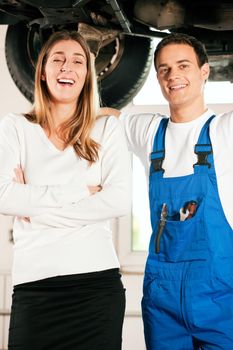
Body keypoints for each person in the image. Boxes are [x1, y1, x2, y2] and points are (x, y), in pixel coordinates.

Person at [0, 30, 131, 350]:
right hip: (34, 290)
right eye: (57, 59)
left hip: (96, 289)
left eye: (77, 61)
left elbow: (118, 200)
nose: (66, 67)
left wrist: (35, 208)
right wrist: (79, 191)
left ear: (87, 76)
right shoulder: (15, 127)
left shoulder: (106, 128)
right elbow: (5, 196)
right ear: (42, 72)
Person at [103, 33, 233, 349]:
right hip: (163, 300)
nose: (173, 75)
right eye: (164, 69)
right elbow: (104, 117)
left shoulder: (225, 130)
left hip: (220, 298)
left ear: (205, 71)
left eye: (183, 65)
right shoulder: (148, 131)